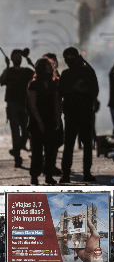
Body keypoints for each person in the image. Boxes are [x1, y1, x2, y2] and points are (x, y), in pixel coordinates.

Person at [58, 47, 99, 183]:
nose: (68, 60)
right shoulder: (66, 74)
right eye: (66, 58)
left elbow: (95, 90)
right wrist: (74, 88)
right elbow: (60, 92)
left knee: (86, 144)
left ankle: (86, 173)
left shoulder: (87, 72)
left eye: (71, 57)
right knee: (70, 145)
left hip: (85, 112)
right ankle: (66, 174)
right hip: (71, 113)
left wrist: (83, 90)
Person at [26, 57, 62, 185]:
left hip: (50, 120)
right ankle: (34, 176)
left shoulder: (53, 83)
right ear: (41, 68)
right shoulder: (33, 84)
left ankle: (48, 175)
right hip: (36, 121)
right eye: (46, 66)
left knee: (51, 151)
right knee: (37, 151)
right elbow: (32, 104)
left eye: (50, 66)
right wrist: (39, 121)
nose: (49, 68)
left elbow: (56, 102)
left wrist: (58, 119)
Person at [0, 49, 34, 168]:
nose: (18, 59)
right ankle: (17, 157)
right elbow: (1, 81)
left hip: (25, 105)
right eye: (16, 57)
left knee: (26, 132)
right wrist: (7, 66)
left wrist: (30, 62)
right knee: (15, 132)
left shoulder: (26, 71)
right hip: (12, 105)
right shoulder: (9, 71)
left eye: (19, 57)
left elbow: (39, 75)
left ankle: (16, 150)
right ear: (12, 58)